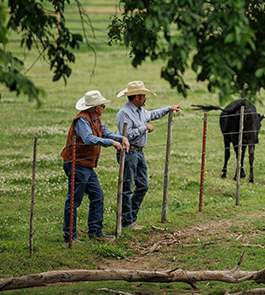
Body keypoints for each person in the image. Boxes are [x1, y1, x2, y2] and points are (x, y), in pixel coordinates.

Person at [114, 80, 184, 229]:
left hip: (138, 152)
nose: (146, 98)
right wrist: (143, 127)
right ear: (137, 97)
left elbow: (152, 114)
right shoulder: (124, 113)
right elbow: (126, 135)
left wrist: (169, 109)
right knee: (127, 186)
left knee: (143, 185)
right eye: (144, 96)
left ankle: (130, 217)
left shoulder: (140, 111)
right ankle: (126, 221)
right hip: (128, 152)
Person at [62, 90, 129, 242]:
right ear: (95, 108)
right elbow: (88, 138)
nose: (103, 108)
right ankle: (70, 237)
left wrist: (121, 138)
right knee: (74, 200)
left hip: (86, 165)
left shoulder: (96, 120)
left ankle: (95, 232)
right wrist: (111, 143)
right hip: (76, 164)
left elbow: (106, 133)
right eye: (102, 106)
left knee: (97, 195)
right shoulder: (82, 121)